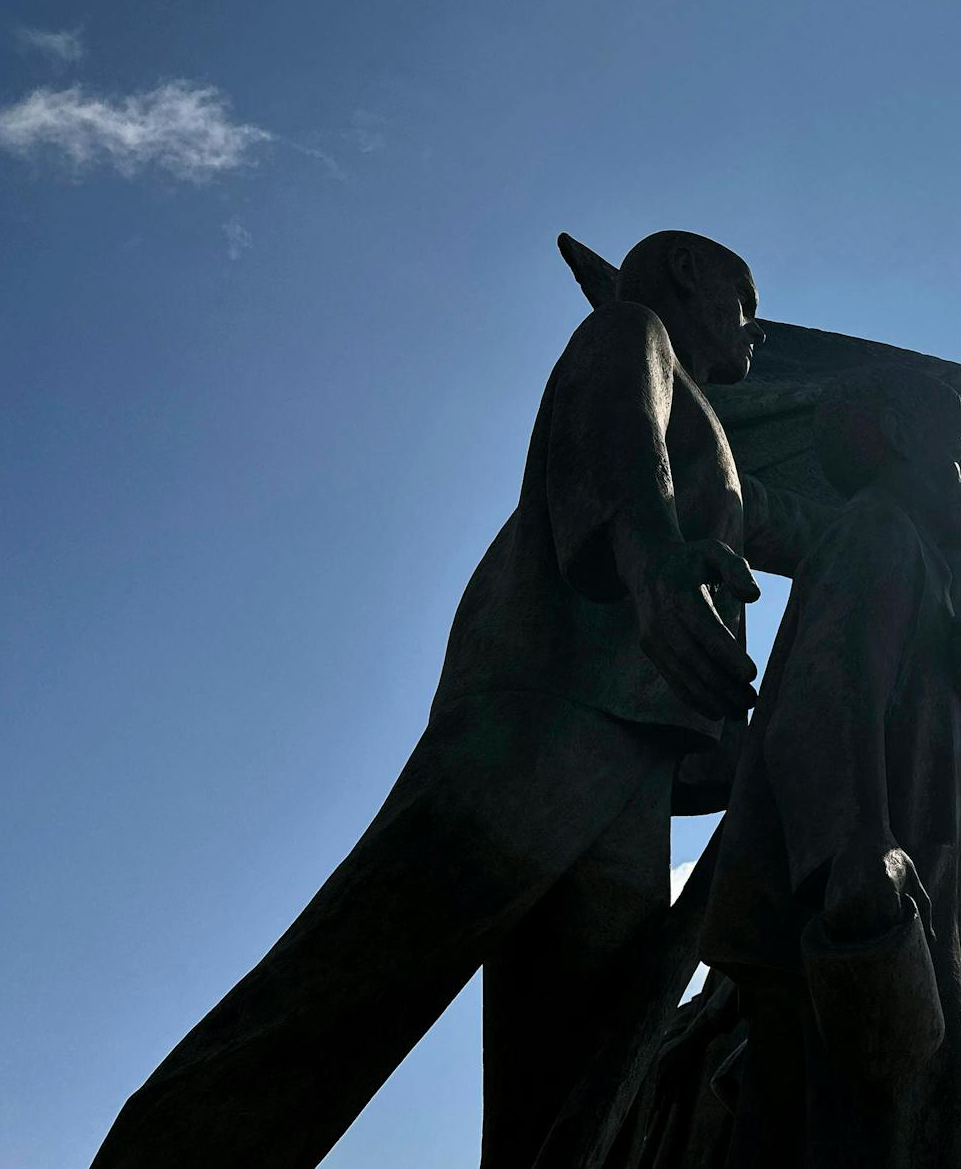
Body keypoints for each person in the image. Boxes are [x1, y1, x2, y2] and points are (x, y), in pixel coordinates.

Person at [94, 231, 828, 1169]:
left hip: (635, 760)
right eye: (746, 297)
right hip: (547, 715)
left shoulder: (714, 430)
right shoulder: (629, 334)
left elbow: (801, 530)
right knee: (351, 982)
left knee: (570, 1092)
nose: (757, 329)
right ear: (688, 273)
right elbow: (619, 439)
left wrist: (926, 526)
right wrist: (652, 564)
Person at [701, 366, 961, 1169]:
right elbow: (818, 708)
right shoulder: (876, 529)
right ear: (899, 435)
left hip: (921, 926)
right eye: (958, 451)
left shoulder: (932, 573)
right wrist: (859, 842)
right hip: (865, 923)